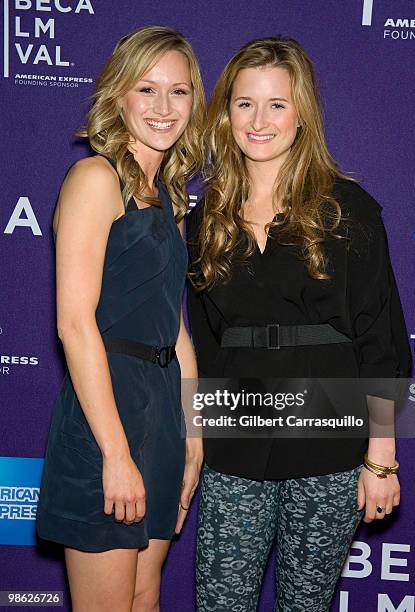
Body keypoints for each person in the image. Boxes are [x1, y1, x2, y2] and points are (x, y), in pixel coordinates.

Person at [186, 37, 412, 612]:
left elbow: (380, 341)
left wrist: (380, 459)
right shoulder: (205, 219)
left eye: (276, 104)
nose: (259, 121)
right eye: (244, 103)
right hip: (235, 448)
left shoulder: (349, 209)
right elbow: (206, 350)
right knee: (220, 602)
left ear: (301, 114)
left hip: (330, 448)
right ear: (225, 112)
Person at [36, 26, 204, 611]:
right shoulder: (95, 179)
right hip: (106, 412)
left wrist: (194, 434)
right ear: (119, 96)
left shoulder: (170, 197)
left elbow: (176, 330)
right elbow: (75, 324)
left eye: (178, 92)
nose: (163, 107)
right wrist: (115, 454)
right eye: (147, 89)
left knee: (144, 595)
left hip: (161, 414)